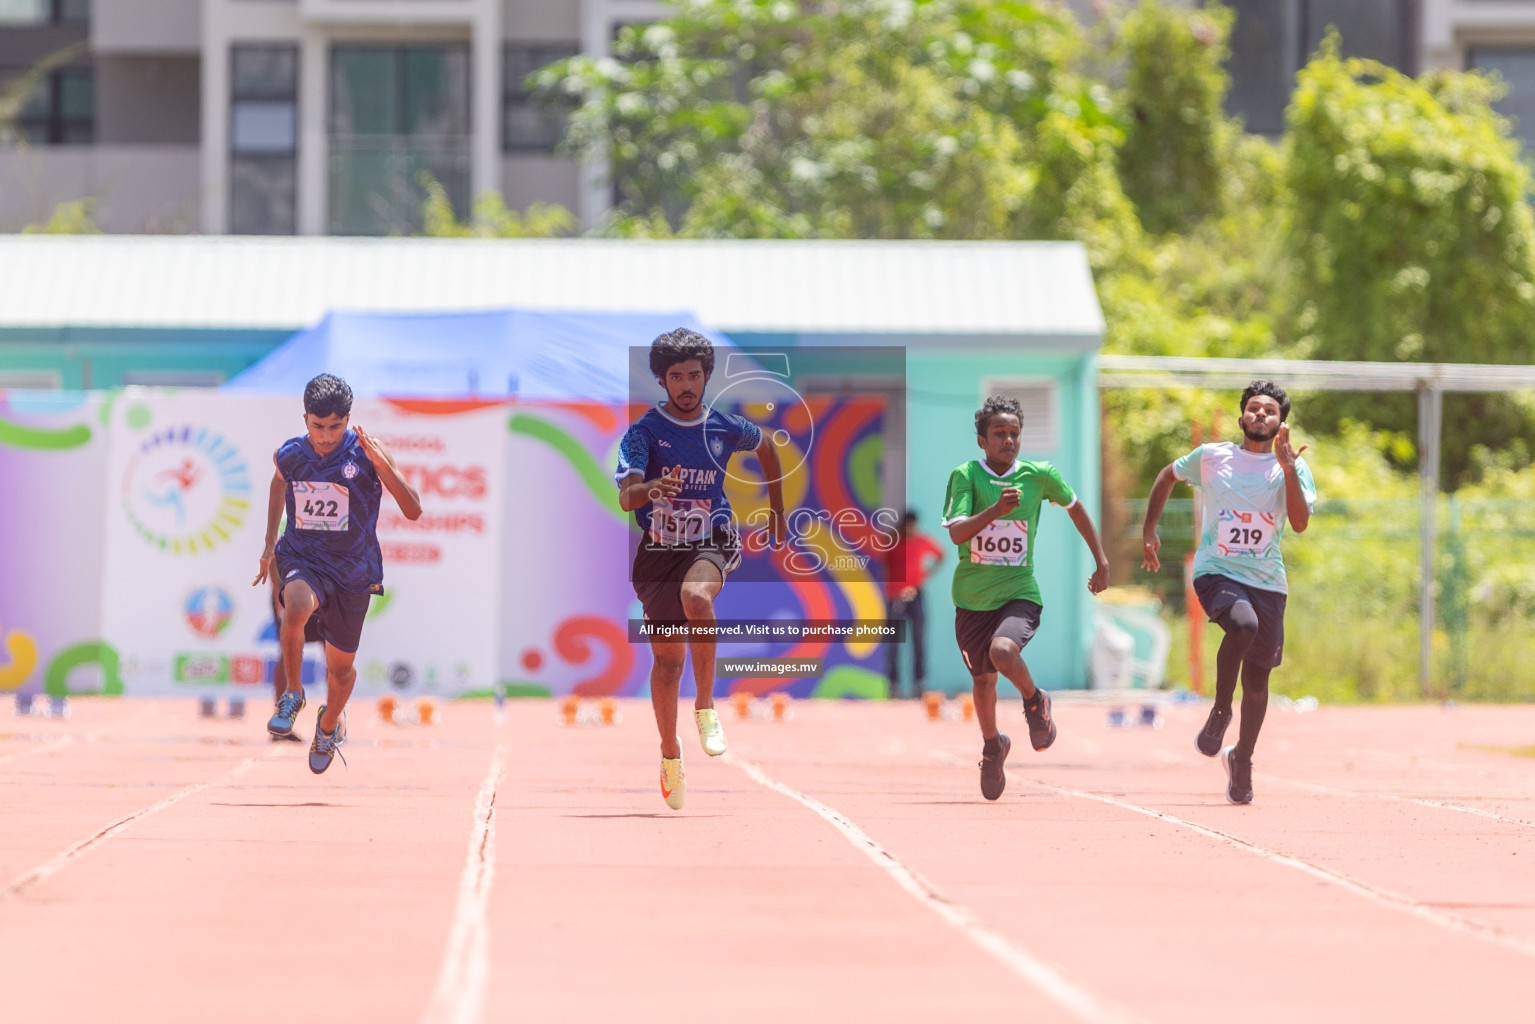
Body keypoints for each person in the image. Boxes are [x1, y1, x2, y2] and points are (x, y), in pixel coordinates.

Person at [616, 329, 786, 810]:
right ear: (662, 380)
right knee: (668, 663)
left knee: (698, 598)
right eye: (676, 377)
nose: (686, 384)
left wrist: (776, 511)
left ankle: (707, 706)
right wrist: (653, 488)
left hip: (712, 539)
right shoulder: (643, 433)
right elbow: (626, 496)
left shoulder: (725, 427)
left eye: (694, 375)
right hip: (658, 553)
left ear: (707, 376)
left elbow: (768, 447)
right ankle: (670, 752)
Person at [1140, 380, 1315, 805]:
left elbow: (1299, 523)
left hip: (1267, 581)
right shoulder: (1213, 457)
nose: (1261, 414)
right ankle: (1220, 710)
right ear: (1241, 418)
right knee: (1242, 625)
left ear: (1281, 423)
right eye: (1254, 408)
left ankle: (1243, 759)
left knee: (1257, 683)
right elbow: (1167, 475)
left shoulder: (1290, 466)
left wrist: (1289, 468)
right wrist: (1149, 530)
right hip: (1217, 571)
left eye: (1269, 411)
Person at [941, 396, 1109, 801]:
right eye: (999, 433)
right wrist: (996, 509)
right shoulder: (965, 476)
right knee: (982, 681)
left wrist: (1101, 561)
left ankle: (1035, 702)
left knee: (1002, 651)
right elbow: (957, 532)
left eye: (1014, 433)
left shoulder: (1039, 475)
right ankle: (993, 746)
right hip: (971, 598)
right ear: (982, 440)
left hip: (1019, 592)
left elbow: (1076, 507)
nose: (1009, 440)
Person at [253, 374, 422, 773]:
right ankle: (293, 694)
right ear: (305, 418)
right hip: (303, 557)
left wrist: (383, 466)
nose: (326, 436)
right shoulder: (291, 455)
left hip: (352, 571)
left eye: (335, 427)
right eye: (317, 426)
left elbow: (413, 510)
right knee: (293, 607)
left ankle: (328, 725)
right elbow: (279, 483)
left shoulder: (367, 453)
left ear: (348, 420)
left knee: (341, 671)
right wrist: (267, 543)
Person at [883, 511, 944, 699]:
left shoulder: (921, 540)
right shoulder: (891, 542)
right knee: (893, 642)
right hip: (895, 597)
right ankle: (893, 685)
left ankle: (919, 684)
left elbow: (941, 555)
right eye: (906, 526)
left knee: (919, 639)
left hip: (916, 594)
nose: (909, 529)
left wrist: (926, 575)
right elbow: (880, 563)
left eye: (912, 526)